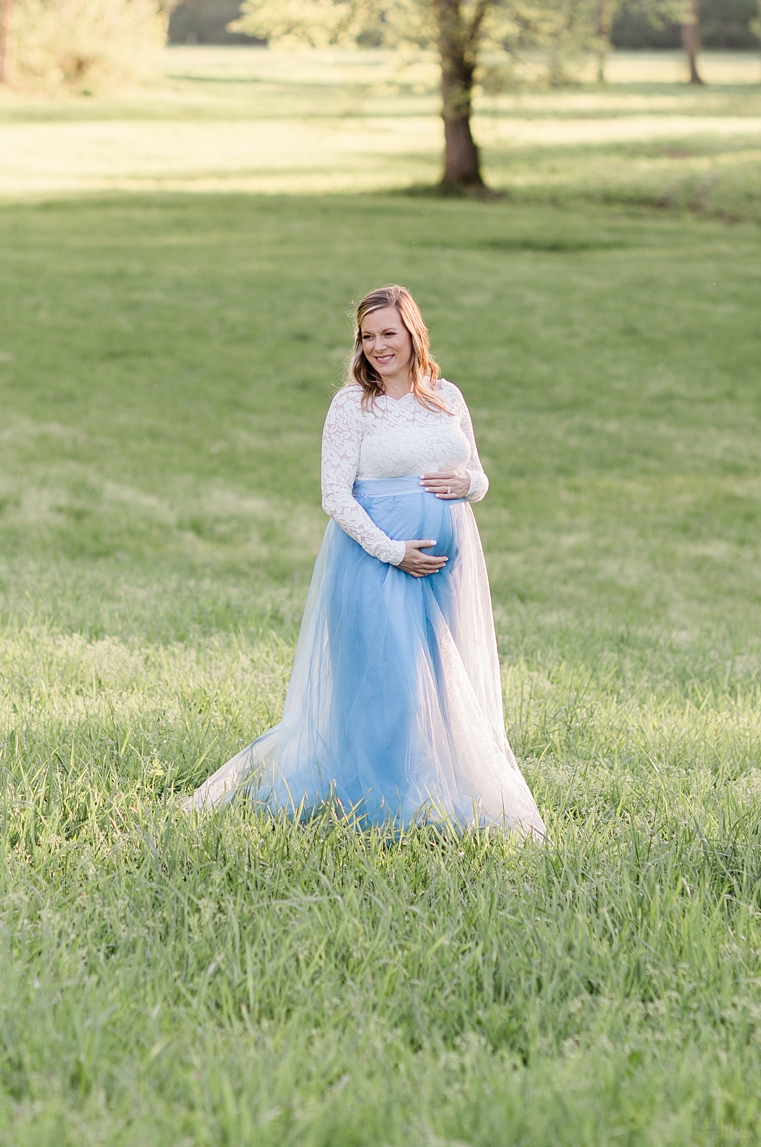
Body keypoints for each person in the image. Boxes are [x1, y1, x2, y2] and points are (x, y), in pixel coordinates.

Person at [186, 285, 546, 839]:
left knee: (443, 690)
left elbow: (478, 475)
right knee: (391, 688)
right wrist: (392, 551)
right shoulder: (352, 405)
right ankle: (375, 809)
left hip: (447, 567)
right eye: (368, 336)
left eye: (388, 334)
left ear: (412, 335)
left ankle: (433, 794)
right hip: (376, 563)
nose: (378, 346)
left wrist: (469, 482)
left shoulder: (447, 395)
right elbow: (335, 495)